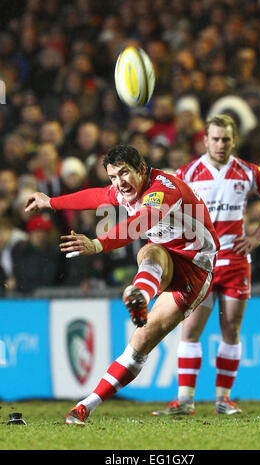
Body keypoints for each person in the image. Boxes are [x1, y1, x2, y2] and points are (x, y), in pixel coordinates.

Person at [24, 144, 219, 425]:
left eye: (124, 174)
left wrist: (97, 243)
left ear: (141, 168)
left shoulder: (162, 189)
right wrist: (51, 202)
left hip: (196, 267)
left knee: (142, 342)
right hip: (166, 254)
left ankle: (140, 293)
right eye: (113, 177)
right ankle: (84, 407)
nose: (119, 183)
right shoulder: (124, 189)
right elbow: (95, 196)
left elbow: (140, 223)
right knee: (149, 253)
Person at [152, 114, 260, 416]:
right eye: (215, 138)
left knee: (231, 329)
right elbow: (164, 207)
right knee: (190, 329)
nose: (221, 144)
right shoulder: (186, 173)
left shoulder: (248, 172)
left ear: (233, 140)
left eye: (226, 139)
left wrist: (258, 235)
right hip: (201, 261)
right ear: (205, 140)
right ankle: (184, 400)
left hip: (236, 260)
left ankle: (223, 400)